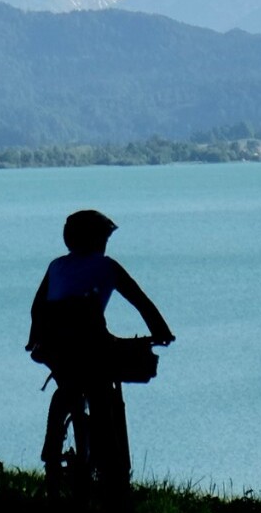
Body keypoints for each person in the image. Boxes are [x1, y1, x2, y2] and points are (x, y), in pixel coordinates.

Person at [28, 208, 173, 489]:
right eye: (104, 238)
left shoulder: (56, 266)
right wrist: (162, 332)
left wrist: (34, 339)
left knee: (68, 385)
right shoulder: (108, 267)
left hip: (55, 347)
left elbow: (37, 307)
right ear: (97, 240)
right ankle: (113, 475)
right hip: (90, 344)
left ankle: (54, 454)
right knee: (102, 393)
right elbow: (140, 301)